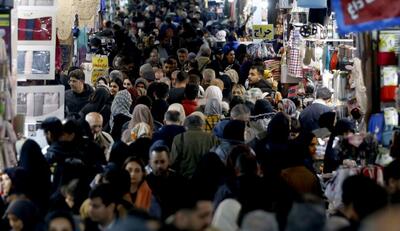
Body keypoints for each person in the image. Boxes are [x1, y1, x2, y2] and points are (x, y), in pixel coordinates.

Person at [171, 113, 219, 179]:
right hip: (206, 179)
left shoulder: (179, 138)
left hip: (185, 179)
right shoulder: (212, 138)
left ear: (185, 126)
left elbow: (173, 161)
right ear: (202, 125)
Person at [146, 145, 189, 219]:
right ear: (150, 163)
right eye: (156, 162)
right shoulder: (146, 183)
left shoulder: (180, 181)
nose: (159, 166)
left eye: (162, 162)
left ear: (169, 161)